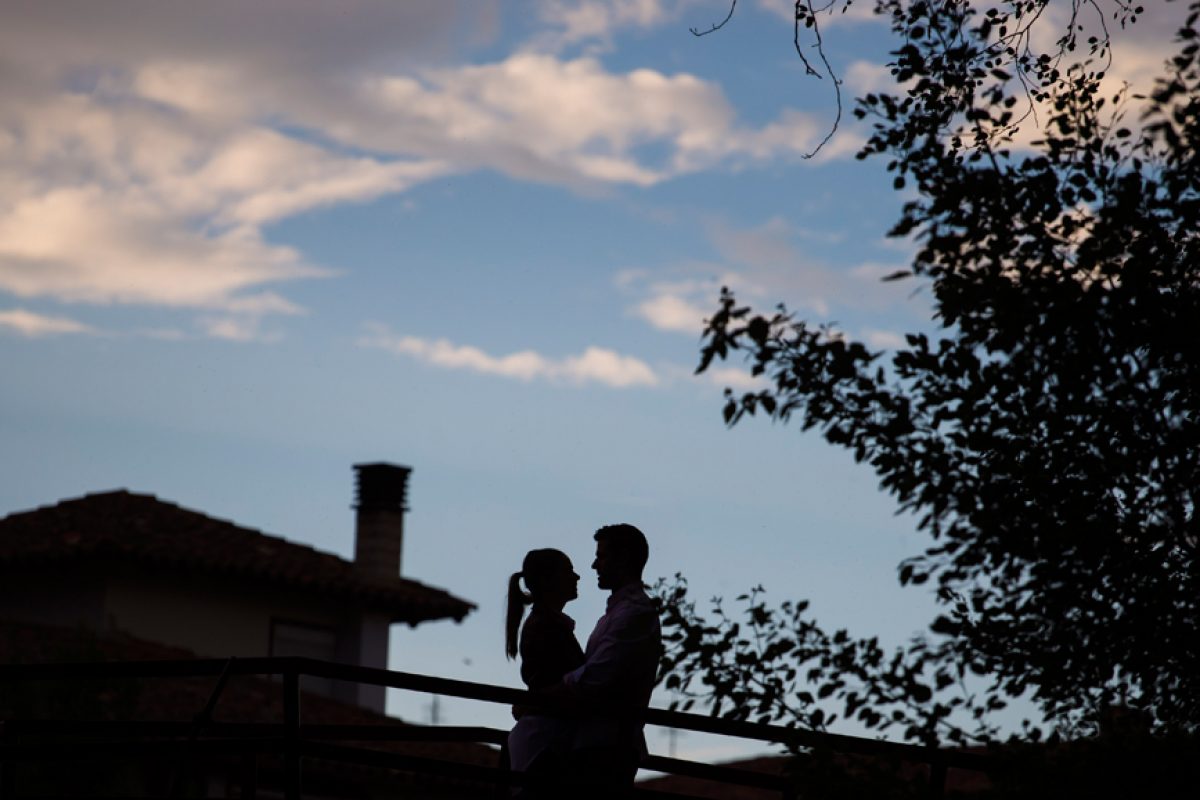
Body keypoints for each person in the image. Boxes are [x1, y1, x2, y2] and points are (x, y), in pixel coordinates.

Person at [561, 523, 663, 799]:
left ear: (625, 558)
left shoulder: (633, 614)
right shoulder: (622, 613)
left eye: (602, 556)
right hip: (602, 744)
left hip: (605, 747)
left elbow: (594, 678)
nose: (595, 565)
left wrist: (545, 695)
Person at [505, 548, 584, 797]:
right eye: (569, 571)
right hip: (546, 743)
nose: (577, 577)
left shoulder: (545, 624)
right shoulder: (547, 627)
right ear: (549, 580)